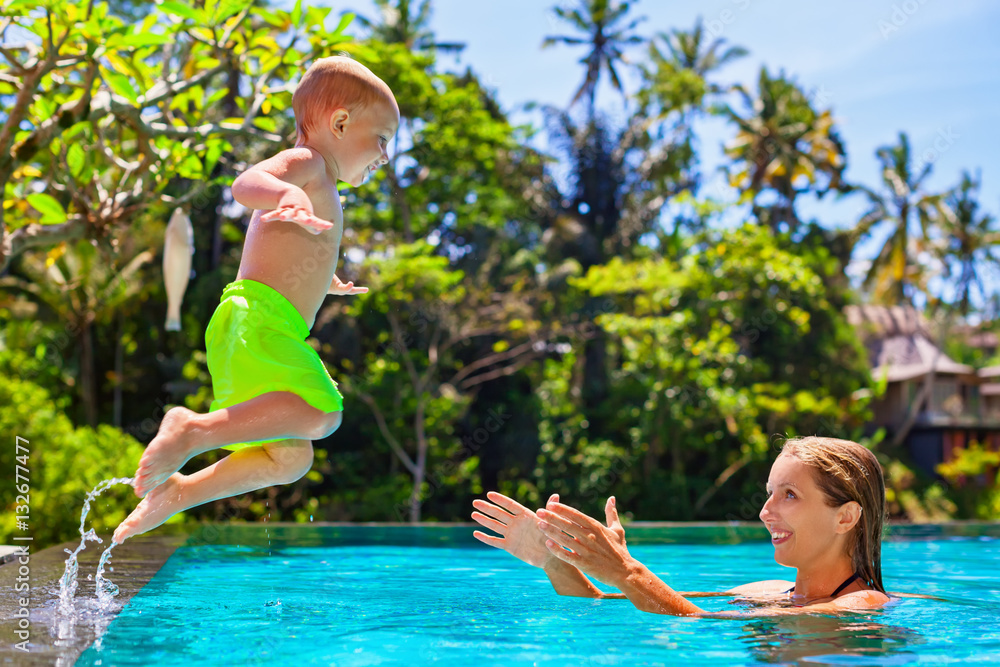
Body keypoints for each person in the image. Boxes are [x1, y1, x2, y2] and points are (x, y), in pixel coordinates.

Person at [113, 57, 400, 543]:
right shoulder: (308, 164)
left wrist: (324, 279)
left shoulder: (324, 185)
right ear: (340, 122)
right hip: (257, 319)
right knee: (323, 413)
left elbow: (290, 255)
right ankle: (192, 431)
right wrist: (286, 195)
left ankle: (179, 493)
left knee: (290, 458)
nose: (386, 156)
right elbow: (245, 184)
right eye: (383, 139)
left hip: (260, 322)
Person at [472, 436, 892, 617]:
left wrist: (627, 570)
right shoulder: (761, 594)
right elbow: (601, 603)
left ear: (845, 517)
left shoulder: (863, 606)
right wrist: (556, 559)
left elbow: (692, 621)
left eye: (790, 495)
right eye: (769, 493)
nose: (765, 512)